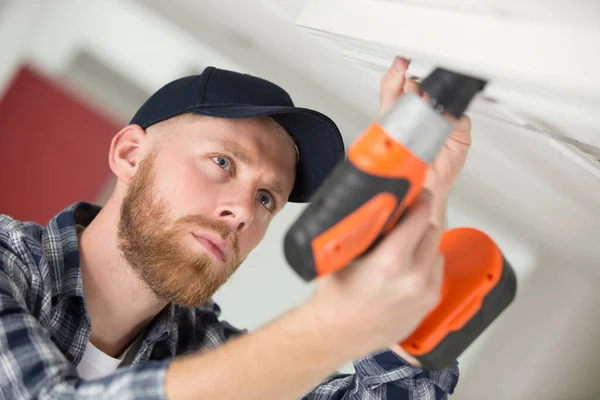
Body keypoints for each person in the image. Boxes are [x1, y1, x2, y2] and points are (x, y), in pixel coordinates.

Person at [0, 57, 472, 399]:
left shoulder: (205, 353)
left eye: (267, 198)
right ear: (129, 154)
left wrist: (424, 195)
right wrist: (328, 327)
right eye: (222, 162)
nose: (244, 211)